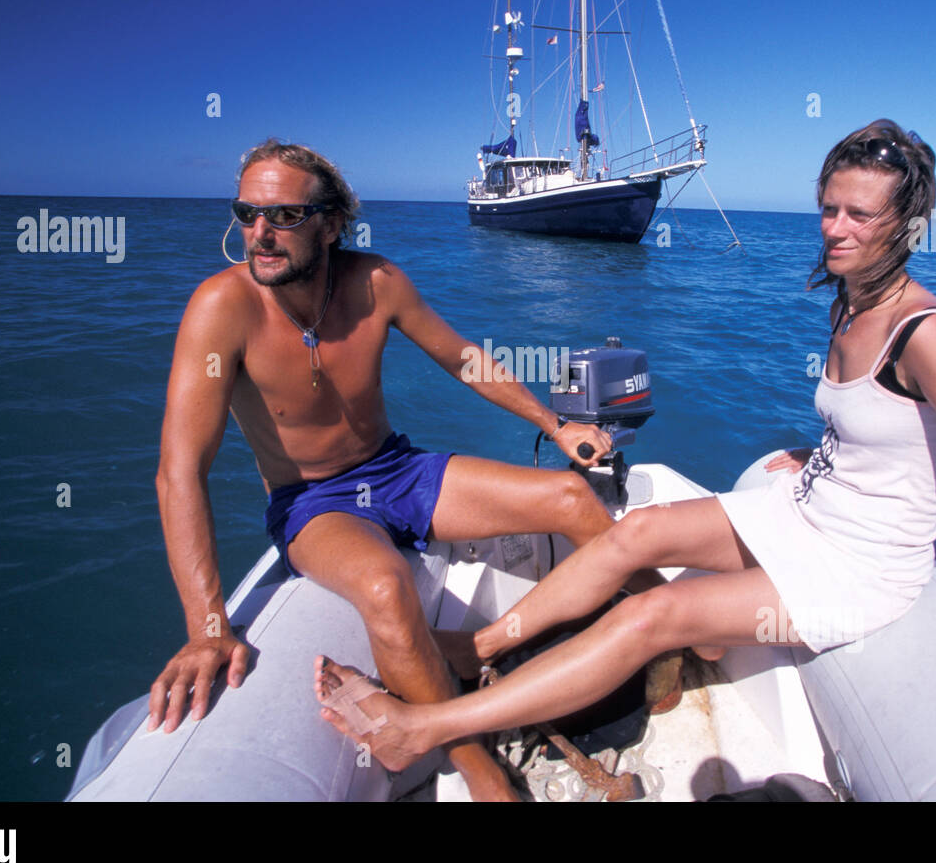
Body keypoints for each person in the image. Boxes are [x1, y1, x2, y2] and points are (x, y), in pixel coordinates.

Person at [315, 119, 936, 782]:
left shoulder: (928, 334)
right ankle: (477, 646)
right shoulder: (850, 302)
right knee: (632, 532)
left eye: (860, 216)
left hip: (860, 561)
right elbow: (880, 424)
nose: (836, 229)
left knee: (656, 611)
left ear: (906, 226)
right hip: (811, 508)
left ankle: (426, 726)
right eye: (830, 207)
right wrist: (818, 453)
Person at [147, 138, 626, 802]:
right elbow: (179, 471)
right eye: (248, 213)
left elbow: (464, 359)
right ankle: (489, 781)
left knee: (576, 499)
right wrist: (206, 627)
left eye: (284, 215)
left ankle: (650, 652)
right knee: (382, 583)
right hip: (313, 502)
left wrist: (555, 423)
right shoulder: (220, 308)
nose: (261, 233)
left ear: (332, 222)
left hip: (397, 469)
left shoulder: (377, 283)